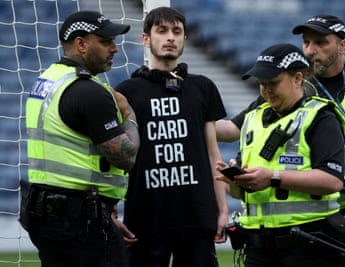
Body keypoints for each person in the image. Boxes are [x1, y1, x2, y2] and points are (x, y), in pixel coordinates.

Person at [216, 14, 345, 267]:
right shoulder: (283, 89)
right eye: (306, 43)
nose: (311, 50)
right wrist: (194, 121)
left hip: (342, 210)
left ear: (343, 46)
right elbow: (231, 129)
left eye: (320, 42)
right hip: (291, 211)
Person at [216, 43, 345, 267]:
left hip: (310, 244)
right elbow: (243, 194)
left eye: (273, 83)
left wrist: (272, 177)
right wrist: (234, 183)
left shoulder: (321, 118)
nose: (266, 90)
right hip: (258, 247)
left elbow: (332, 180)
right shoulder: (252, 119)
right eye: (262, 84)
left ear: (298, 78)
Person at [21, 10, 140, 267]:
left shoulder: (47, 81)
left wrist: (103, 215)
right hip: (78, 222)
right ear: (81, 44)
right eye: (106, 41)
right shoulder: (89, 92)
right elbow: (127, 156)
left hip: (49, 216)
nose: (115, 49)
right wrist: (128, 114)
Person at [114, 7, 229, 267]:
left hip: (197, 219)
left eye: (177, 32)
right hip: (145, 220)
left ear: (185, 39)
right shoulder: (126, 92)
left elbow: (214, 154)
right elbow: (117, 156)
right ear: (146, 39)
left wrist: (222, 210)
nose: (170, 37)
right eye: (162, 31)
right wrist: (112, 209)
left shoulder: (203, 87)